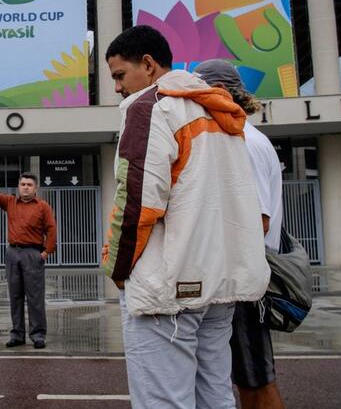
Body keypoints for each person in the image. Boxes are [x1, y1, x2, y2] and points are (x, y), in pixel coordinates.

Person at [103, 25, 270, 408]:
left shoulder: (151, 107)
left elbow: (138, 203)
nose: (116, 87)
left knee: (163, 400)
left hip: (168, 286)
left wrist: (118, 267)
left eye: (118, 75)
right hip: (220, 282)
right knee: (215, 395)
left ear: (147, 65)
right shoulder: (220, 112)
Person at [195, 58, 286, 409]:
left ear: (218, 94)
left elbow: (257, 220)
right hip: (242, 276)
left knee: (256, 384)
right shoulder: (242, 135)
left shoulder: (243, 140)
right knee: (246, 380)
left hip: (244, 281)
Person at [0, 170, 56, 349]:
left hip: (33, 254)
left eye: (29, 185)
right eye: (23, 184)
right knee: (15, 296)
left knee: (35, 297)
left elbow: (51, 229)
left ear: (36, 189)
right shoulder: (10, 202)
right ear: (18, 186)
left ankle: (38, 334)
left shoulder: (43, 206)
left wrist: (46, 252)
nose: (25, 187)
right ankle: (17, 334)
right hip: (13, 253)